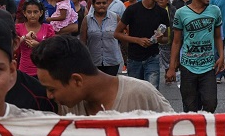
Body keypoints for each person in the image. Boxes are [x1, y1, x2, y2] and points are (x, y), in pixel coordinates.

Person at [33, 35, 172, 115]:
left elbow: (179, 134)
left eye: (52, 89)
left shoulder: (141, 95)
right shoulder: (66, 109)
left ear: (76, 80)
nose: (49, 96)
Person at [169, 0, 223, 112]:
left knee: (211, 103)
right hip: (187, 67)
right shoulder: (181, 13)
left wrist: (222, 56)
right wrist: (171, 67)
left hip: (208, 67)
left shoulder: (215, 11)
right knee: (190, 107)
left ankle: (206, 130)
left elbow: (218, 37)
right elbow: (176, 41)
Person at [116, 0, 169, 89]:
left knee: (152, 93)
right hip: (134, 59)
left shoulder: (162, 13)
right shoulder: (132, 10)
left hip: (153, 58)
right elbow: (117, 33)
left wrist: (159, 39)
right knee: (135, 94)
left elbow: (166, 39)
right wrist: (137, 40)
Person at [80, 0, 122, 75]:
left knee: (110, 86)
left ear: (107, 4)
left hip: (112, 61)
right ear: (93, 5)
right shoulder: (87, 20)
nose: (101, 5)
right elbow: (83, 42)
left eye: (104, 3)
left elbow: (123, 36)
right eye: (98, 3)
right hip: (93, 61)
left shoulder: (115, 17)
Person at [14, 0, 54, 76]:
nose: (32, 15)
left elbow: (53, 49)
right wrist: (24, 37)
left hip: (43, 71)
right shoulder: (18, 28)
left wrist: (39, 46)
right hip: (24, 71)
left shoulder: (48, 28)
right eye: (29, 12)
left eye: (35, 12)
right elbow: (13, 45)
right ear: (24, 13)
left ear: (41, 13)